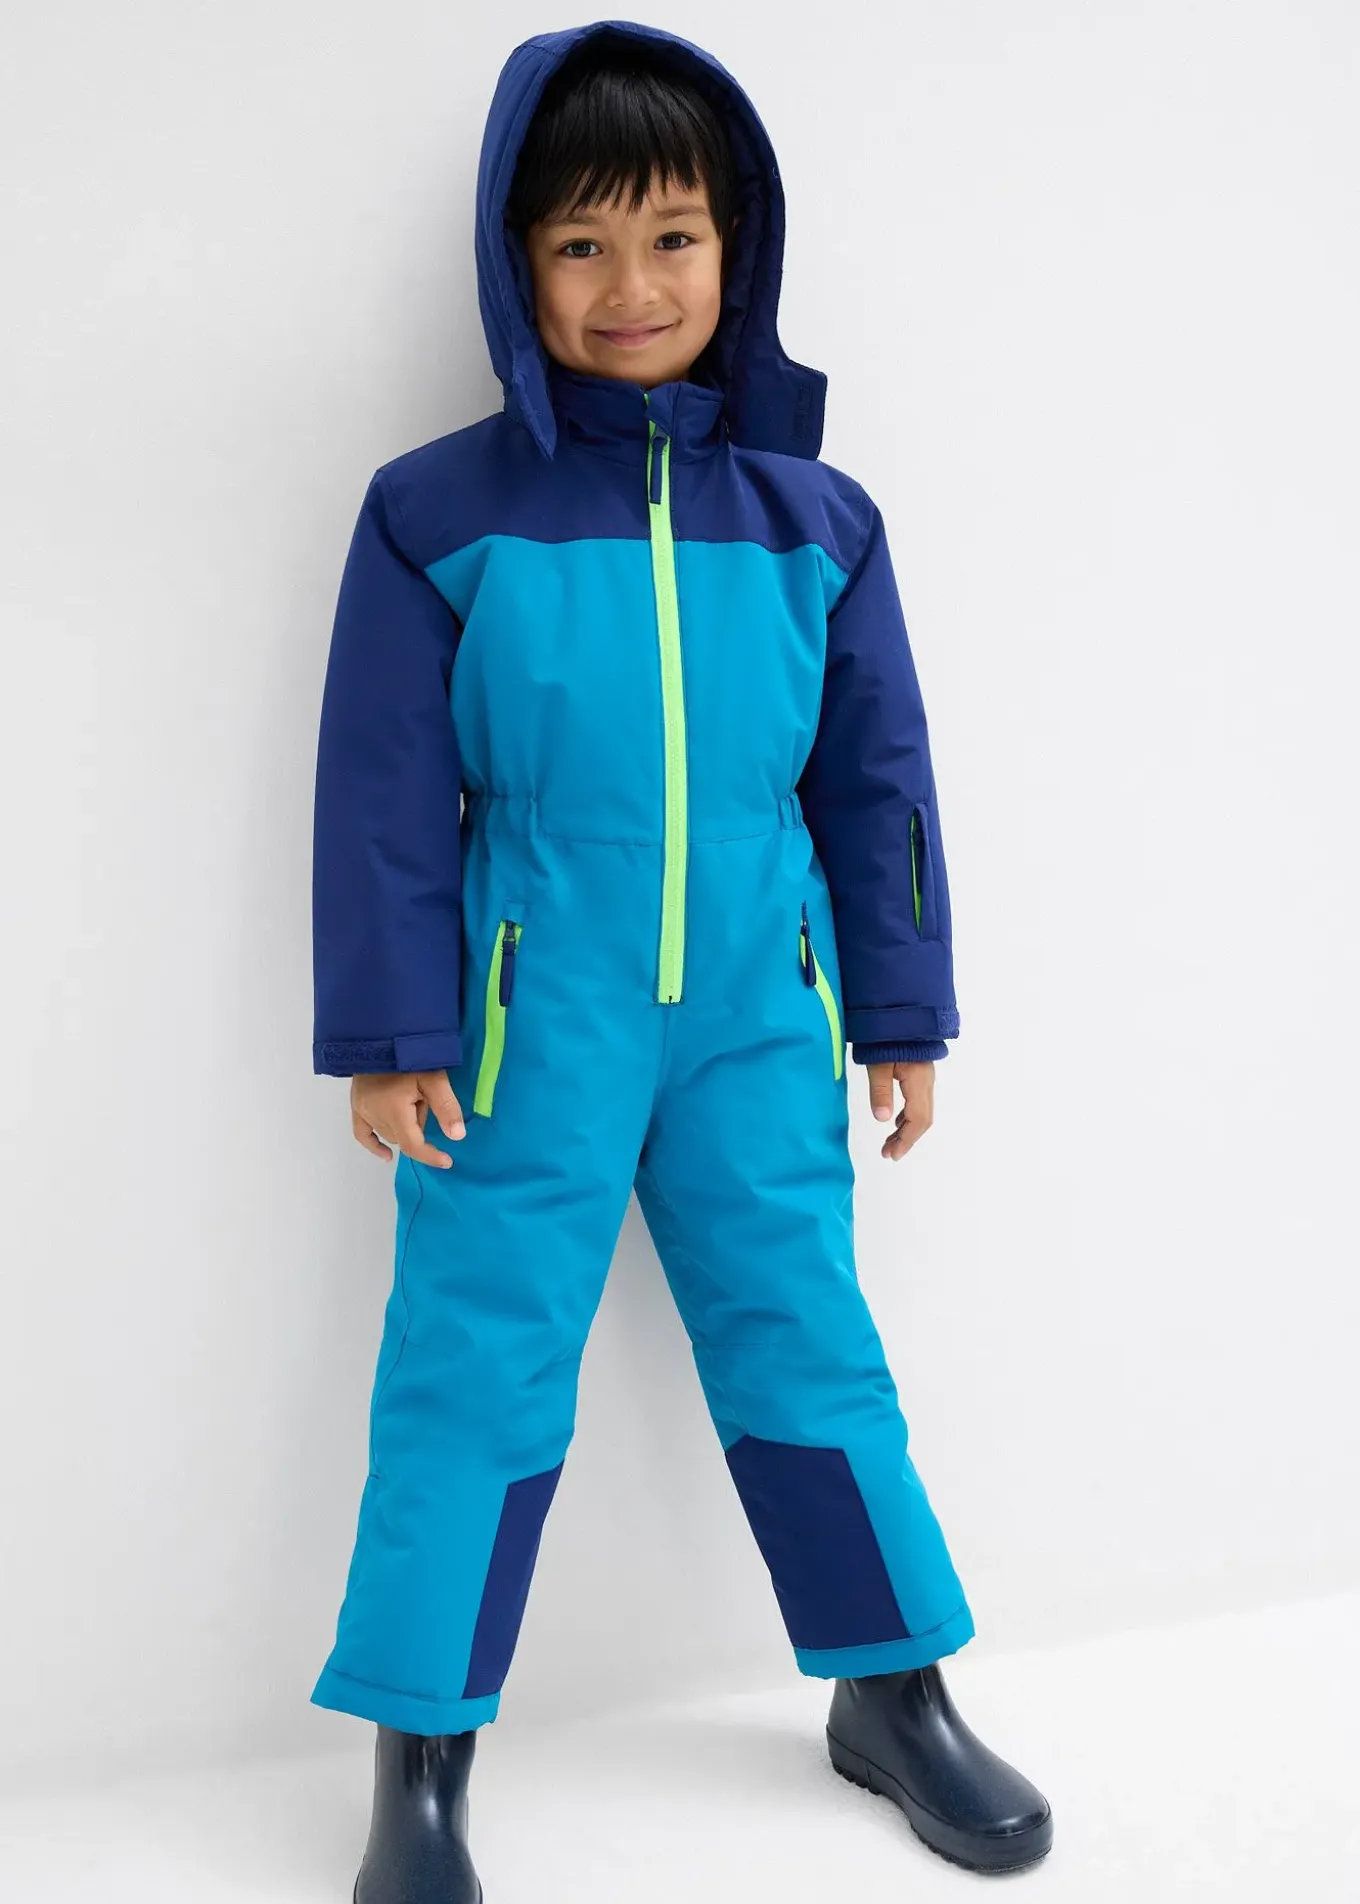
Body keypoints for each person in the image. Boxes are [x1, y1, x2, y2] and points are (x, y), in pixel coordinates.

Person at [309, 19, 1052, 1899]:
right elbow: (383, 793)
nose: (630, 287)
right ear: (516, 265)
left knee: (807, 1334)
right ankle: (421, 1761)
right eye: (580, 244)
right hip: (522, 1014)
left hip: (756, 1006)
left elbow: (876, 784)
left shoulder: (818, 523)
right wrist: (393, 1029)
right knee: (474, 1362)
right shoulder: (435, 515)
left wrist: (900, 1010)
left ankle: (892, 1686)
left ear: (739, 248)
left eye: (672, 238)